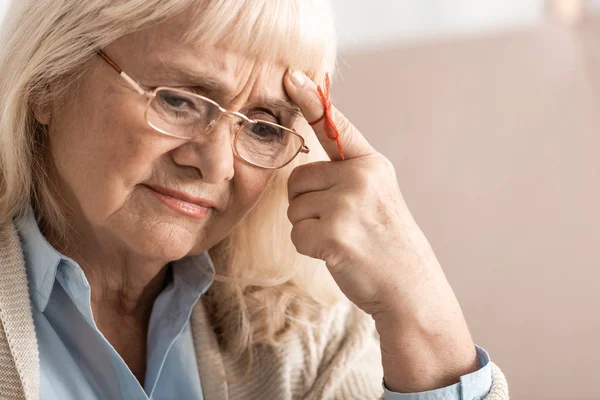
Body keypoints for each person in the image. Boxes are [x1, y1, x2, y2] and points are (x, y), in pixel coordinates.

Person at [0, 0, 508, 399]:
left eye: (264, 127)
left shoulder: (299, 328)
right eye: (179, 100)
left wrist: (418, 304)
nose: (217, 165)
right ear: (50, 81)